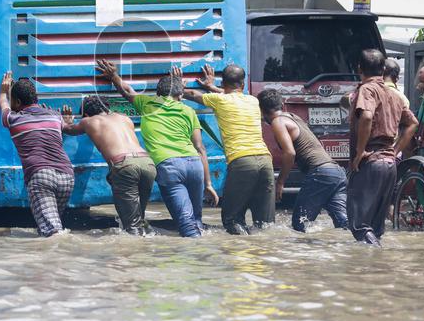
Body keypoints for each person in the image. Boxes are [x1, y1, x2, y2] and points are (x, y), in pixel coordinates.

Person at [97, 60, 218, 237]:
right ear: (179, 95)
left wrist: (114, 76)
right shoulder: (187, 111)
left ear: (158, 93)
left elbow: (127, 91)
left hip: (169, 166)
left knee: (186, 224)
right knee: (196, 221)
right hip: (194, 165)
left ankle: (194, 260)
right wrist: (208, 184)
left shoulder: (148, 104)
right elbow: (200, 148)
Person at [183, 63, 274, 234]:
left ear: (223, 83)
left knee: (231, 220)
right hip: (265, 161)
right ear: (244, 84)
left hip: (242, 161)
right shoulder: (253, 101)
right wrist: (212, 87)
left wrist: (178, 86)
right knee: (265, 223)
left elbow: (194, 94)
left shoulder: (219, 100)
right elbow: (231, 95)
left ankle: (239, 257)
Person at [348, 49, 419, 246]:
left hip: (370, 162)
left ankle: (373, 260)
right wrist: (395, 151)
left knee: (359, 226)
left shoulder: (367, 89)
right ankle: (378, 271)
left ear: (359, 68)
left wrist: (360, 151)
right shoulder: (393, 95)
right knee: (376, 228)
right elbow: (413, 123)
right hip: (389, 165)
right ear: (382, 69)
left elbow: (367, 116)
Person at [60, 95, 156, 234]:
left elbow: (69, 130)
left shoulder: (89, 121)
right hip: (147, 163)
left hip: (125, 166)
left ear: (86, 114)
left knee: (132, 224)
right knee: (139, 218)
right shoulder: (124, 118)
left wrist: (66, 121)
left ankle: (135, 253)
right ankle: (152, 247)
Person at [259, 89, 348, 232]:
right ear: (282, 104)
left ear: (262, 111)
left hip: (320, 173)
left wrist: (280, 182)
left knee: (299, 225)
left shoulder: (278, 121)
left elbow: (289, 153)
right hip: (337, 172)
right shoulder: (294, 117)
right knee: (344, 223)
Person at [0, 72, 75, 237]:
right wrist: (67, 122)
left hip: (41, 177)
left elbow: (3, 105)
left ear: (17, 102)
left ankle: (67, 258)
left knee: (52, 232)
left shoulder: (13, 119)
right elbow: (64, 128)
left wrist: (4, 91)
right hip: (67, 177)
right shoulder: (54, 115)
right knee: (50, 225)